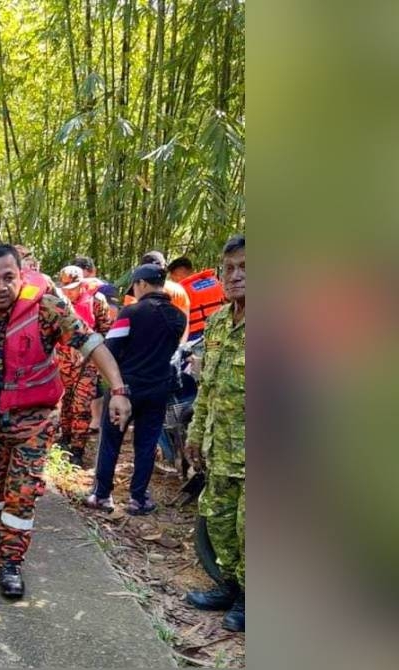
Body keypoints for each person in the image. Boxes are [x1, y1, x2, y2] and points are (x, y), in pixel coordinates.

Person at [0, 245, 131, 599]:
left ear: (21, 276)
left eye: (9, 277)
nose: (2, 286)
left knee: (21, 493)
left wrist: (118, 389)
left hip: (34, 422)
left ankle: (10, 561)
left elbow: (91, 343)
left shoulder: (48, 309)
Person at [86, 263, 187, 516]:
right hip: (158, 388)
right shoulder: (178, 317)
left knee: (111, 440)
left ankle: (101, 495)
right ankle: (138, 498)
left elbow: (110, 348)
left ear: (141, 284)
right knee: (146, 443)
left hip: (125, 388)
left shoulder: (130, 313)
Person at [184, 235, 246, 632]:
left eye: (246, 268)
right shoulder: (220, 321)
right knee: (219, 522)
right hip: (219, 449)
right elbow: (206, 386)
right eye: (230, 269)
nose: (237, 276)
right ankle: (231, 585)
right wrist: (194, 435)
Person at [55, 265, 114, 466]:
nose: (69, 292)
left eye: (72, 287)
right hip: (63, 360)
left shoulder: (97, 302)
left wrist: (90, 351)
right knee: (66, 402)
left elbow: (106, 331)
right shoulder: (58, 303)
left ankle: (78, 448)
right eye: (65, 288)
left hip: (87, 362)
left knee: (81, 405)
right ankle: (65, 438)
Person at [123, 251, 191, 342]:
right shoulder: (178, 290)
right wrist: (181, 346)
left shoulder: (135, 290)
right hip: (170, 345)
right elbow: (185, 323)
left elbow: (129, 323)